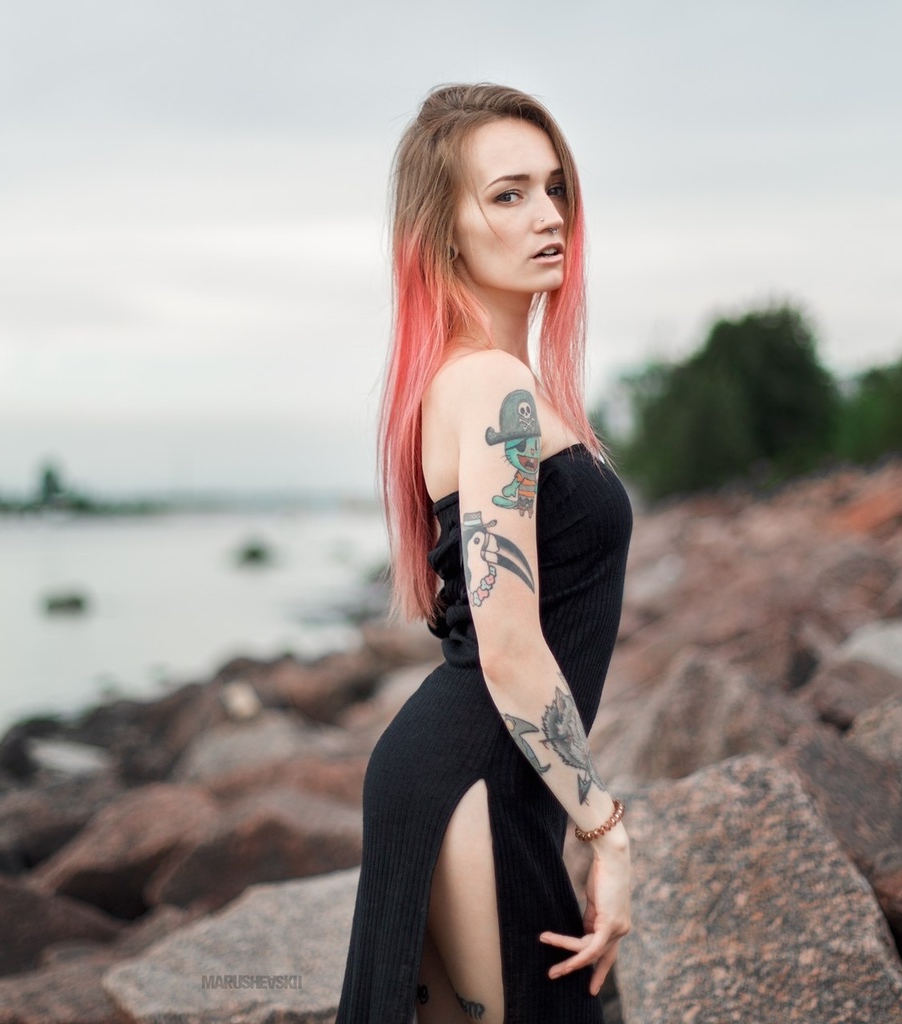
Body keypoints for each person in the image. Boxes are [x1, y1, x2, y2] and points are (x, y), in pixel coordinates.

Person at [336, 83, 635, 1024]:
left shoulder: (490, 386)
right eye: (508, 194)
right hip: (475, 777)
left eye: (554, 188)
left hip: (470, 773)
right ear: (443, 231)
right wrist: (609, 833)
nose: (549, 216)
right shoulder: (493, 388)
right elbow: (505, 646)